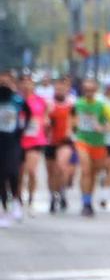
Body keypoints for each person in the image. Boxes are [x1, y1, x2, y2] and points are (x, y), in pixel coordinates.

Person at [71, 77, 110, 216]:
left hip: (98, 143)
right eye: (86, 90)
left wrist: (103, 128)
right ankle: (85, 203)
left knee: (93, 174)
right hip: (82, 140)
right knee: (86, 170)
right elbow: (72, 118)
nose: (88, 93)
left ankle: (88, 200)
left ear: (96, 90)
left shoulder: (102, 106)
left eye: (91, 90)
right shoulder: (78, 104)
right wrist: (72, 129)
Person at [0, 73, 28, 225]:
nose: (3, 84)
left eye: (6, 82)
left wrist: (21, 130)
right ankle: (4, 209)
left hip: (13, 143)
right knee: (1, 176)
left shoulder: (17, 100)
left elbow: (28, 112)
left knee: (13, 174)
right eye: (1, 82)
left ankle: (17, 201)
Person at [45, 77, 75, 213]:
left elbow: (76, 121)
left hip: (65, 142)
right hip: (50, 141)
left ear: (67, 89)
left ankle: (61, 191)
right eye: (57, 89)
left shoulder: (72, 104)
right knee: (51, 172)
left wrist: (71, 130)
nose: (59, 91)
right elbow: (43, 121)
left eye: (62, 89)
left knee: (61, 167)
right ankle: (53, 197)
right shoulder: (49, 104)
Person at [20, 78, 49, 215]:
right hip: (19, 140)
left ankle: (31, 200)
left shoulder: (40, 101)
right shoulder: (16, 100)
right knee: (19, 174)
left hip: (35, 140)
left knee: (31, 171)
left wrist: (46, 122)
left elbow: (46, 117)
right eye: (24, 83)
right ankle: (18, 200)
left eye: (29, 83)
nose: (26, 85)